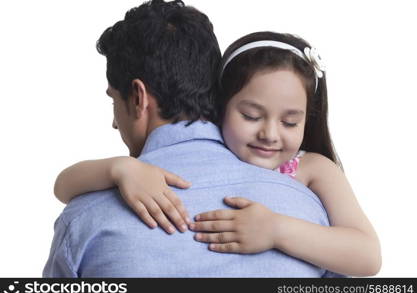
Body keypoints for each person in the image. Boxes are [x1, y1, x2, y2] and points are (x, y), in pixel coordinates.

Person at [44, 0, 356, 277]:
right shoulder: (311, 210)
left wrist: (276, 229)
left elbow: (369, 255)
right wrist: (119, 167)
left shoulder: (85, 217)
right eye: (251, 116)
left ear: (138, 97)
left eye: (114, 101)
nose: (270, 134)